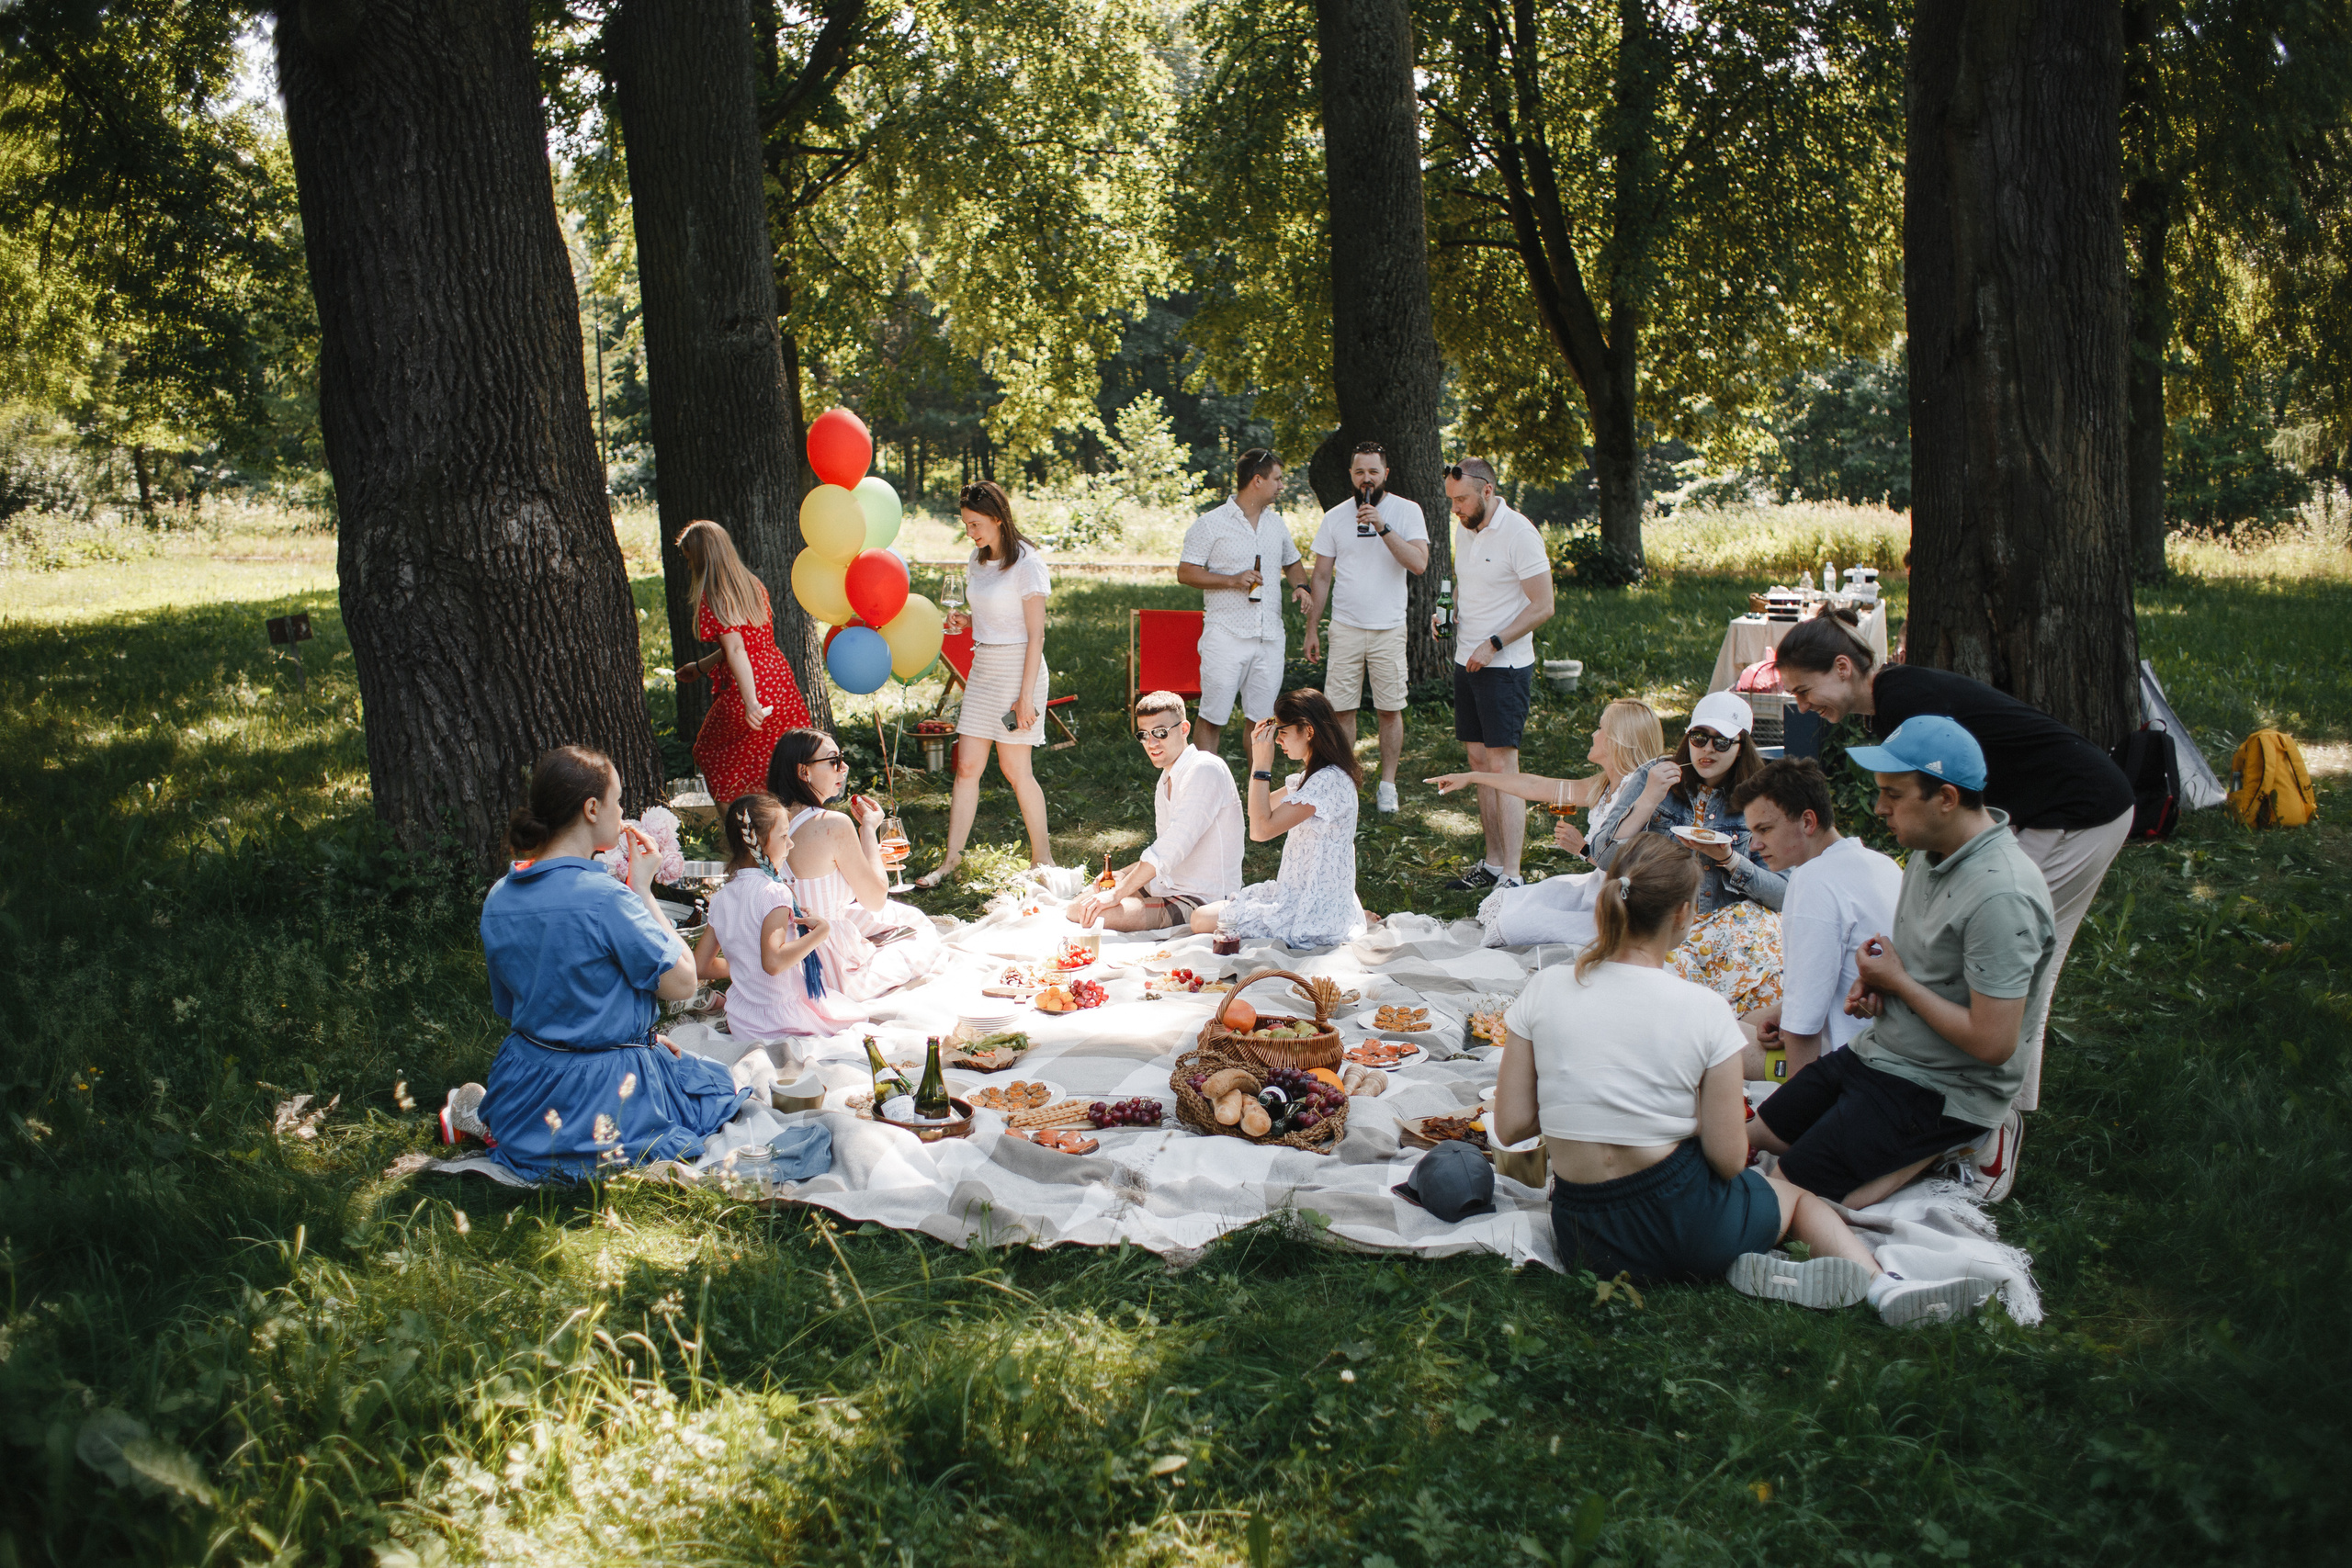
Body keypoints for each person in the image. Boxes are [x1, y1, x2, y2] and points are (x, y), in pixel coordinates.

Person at [1491, 833, 1982, 1326]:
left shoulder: (1545, 987)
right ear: (1684, 913)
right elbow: (1727, 1161)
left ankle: (1740, 1257)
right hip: (1687, 1226)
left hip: (1587, 1237)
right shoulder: (1704, 1010)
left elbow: (1511, 1127)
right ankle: (1882, 1290)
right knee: (1797, 1200)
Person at [1775, 605, 2134, 1194]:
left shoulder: (1904, 704)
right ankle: (1962, 1109)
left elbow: (1959, 799)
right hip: (2041, 811)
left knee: (2014, 973)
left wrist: (1902, 984)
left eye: (1806, 691)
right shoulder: (1890, 707)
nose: (1804, 707)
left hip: (2080, 812)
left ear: (1843, 667)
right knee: (1977, 960)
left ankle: (1990, 1128)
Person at [1749, 718, 2055, 1238]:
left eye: (1893, 795)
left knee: (1793, 1186)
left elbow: (1994, 1042)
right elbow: (1918, 954)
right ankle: (1902, 1147)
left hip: (1945, 1083)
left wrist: (1900, 984)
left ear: (1946, 798)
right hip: (1882, 1049)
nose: (1879, 809)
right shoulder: (1926, 851)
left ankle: (1967, 1138)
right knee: (1759, 1135)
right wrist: (1877, 977)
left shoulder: (2001, 896)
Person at [461, 746, 745, 1183]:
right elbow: (685, 982)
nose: (622, 811)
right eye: (617, 800)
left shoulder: (499, 894)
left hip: (526, 1084)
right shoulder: (606, 899)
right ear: (592, 809)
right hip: (606, 1092)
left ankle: (487, 1120)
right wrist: (643, 890)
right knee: (716, 1088)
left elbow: (513, 1005)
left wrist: (632, 1038)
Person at [1592, 691, 1788, 1015]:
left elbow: (1784, 894)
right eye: (1699, 737)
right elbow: (1604, 857)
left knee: (1772, 975)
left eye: (1721, 741)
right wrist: (1648, 800)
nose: (1707, 749)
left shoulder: (1760, 795)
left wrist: (1729, 860)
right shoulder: (1653, 776)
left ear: (1741, 747)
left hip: (1730, 930)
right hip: (1660, 921)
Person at [1423, 698, 1668, 949]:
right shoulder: (1603, 785)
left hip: (1620, 902)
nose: (1593, 734)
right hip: (1596, 888)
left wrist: (1583, 850)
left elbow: (1636, 868)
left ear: (1617, 739)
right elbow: (1534, 786)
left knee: (1524, 924)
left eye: (1600, 728)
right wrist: (1472, 777)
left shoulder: (1641, 793)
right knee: (1517, 905)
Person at [1725, 759, 1902, 1082]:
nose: (1755, 844)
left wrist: (1793, 1116)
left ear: (1808, 821)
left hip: (1851, 1068)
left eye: (1764, 829)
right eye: (1752, 832)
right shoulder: (1882, 864)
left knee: (1711, 1037)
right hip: (1893, 1049)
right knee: (1748, 1019)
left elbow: (1803, 1024)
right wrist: (1783, 1014)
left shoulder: (1812, 880)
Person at [921, 480, 1054, 886]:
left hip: (1020, 671)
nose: (971, 532)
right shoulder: (976, 560)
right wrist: (968, 621)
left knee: (1016, 770)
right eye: (966, 524)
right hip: (984, 669)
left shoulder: (1028, 563)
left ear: (998, 518)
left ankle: (1042, 858)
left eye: (976, 524)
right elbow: (997, 618)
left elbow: (1035, 635)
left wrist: (1025, 697)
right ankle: (951, 861)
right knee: (967, 767)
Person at [1434, 457, 1555, 890]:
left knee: (1503, 766)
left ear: (1487, 491)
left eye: (1462, 499)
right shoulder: (1466, 528)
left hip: (1503, 666)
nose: (1455, 509)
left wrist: (1495, 643)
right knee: (1478, 763)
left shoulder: (1520, 533)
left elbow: (1543, 605)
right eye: (1451, 501)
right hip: (1466, 661)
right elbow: (1472, 588)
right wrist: (1447, 619)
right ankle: (1491, 863)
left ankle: (1514, 875)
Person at [756, 728, 948, 998]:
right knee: (921, 934)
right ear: (804, 772)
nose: (844, 767)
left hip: (777, 945)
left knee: (906, 915)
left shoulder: (764, 820)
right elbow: (875, 899)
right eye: (834, 760)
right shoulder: (831, 824)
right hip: (825, 960)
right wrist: (868, 830)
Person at [1300, 440, 1430, 814]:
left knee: (1390, 709)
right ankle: (1345, 781)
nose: (1366, 479)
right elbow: (1322, 576)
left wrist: (1383, 526)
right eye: (1360, 472)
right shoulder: (1335, 517)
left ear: (1385, 474)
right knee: (1341, 711)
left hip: (1389, 627)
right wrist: (1313, 628)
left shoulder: (1407, 511)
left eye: (1373, 471)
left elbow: (1419, 564)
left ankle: (1387, 784)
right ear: (1352, 475)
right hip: (1345, 626)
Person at [1189, 688, 1363, 948]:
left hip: (1311, 910)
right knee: (1209, 913)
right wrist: (1259, 759)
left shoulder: (1327, 782)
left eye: (1282, 732)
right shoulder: (1315, 778)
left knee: (1200, 918)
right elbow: (1260, 809)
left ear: (1308, 730)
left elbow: (1260, 831)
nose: (1278, 741)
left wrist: (1262, 764)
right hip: (1299, 894)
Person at [1069, 692, 1244, 931]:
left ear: (1184, 728)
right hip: (1165, 884)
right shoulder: (1167, 778)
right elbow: (1162, 847)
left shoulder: (1205, 769)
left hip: (1200, 900)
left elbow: (1174, 845)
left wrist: (1119, 893)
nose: (1151, 743)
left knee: (1090, 914)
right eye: (1143, 735)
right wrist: (1121, 874)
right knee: (1079, 905)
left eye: (1161, 732)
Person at [1179, 448, 1311, 757]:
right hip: (1225, 635)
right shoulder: (1210, 524)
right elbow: (1185, 572)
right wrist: (1231, 579)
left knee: (1263, 723)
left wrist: (1302, 586)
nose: (1281, 486)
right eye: (1277, 479)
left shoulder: (1276, 524)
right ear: (1257, 480)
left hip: (1269, 638)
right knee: (1213, 717)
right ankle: (1204, 789)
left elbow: (1292, 563)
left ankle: (1259, 795)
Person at [672, 520, 814, 803]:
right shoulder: (751, 584)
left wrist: (751, 702)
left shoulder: (714, 595)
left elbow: (737, 650)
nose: (689, 567)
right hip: (777, 675)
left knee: (710, 753)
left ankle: (738, 837)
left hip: (750, 684)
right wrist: (701, 667)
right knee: (776, 756)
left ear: (701, 558)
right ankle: (779, 827)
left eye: (690, 560)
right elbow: (740, 646)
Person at [695, 791, 842, 1040]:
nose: (791, 843)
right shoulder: (774, 893)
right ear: (760, 842)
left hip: (743, 1020)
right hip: (778, 1021)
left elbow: (700, 966)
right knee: (855, 1024)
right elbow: (774, 963)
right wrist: (821, 932)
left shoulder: (721, 898)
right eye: (784, 836)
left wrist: (745, 966)